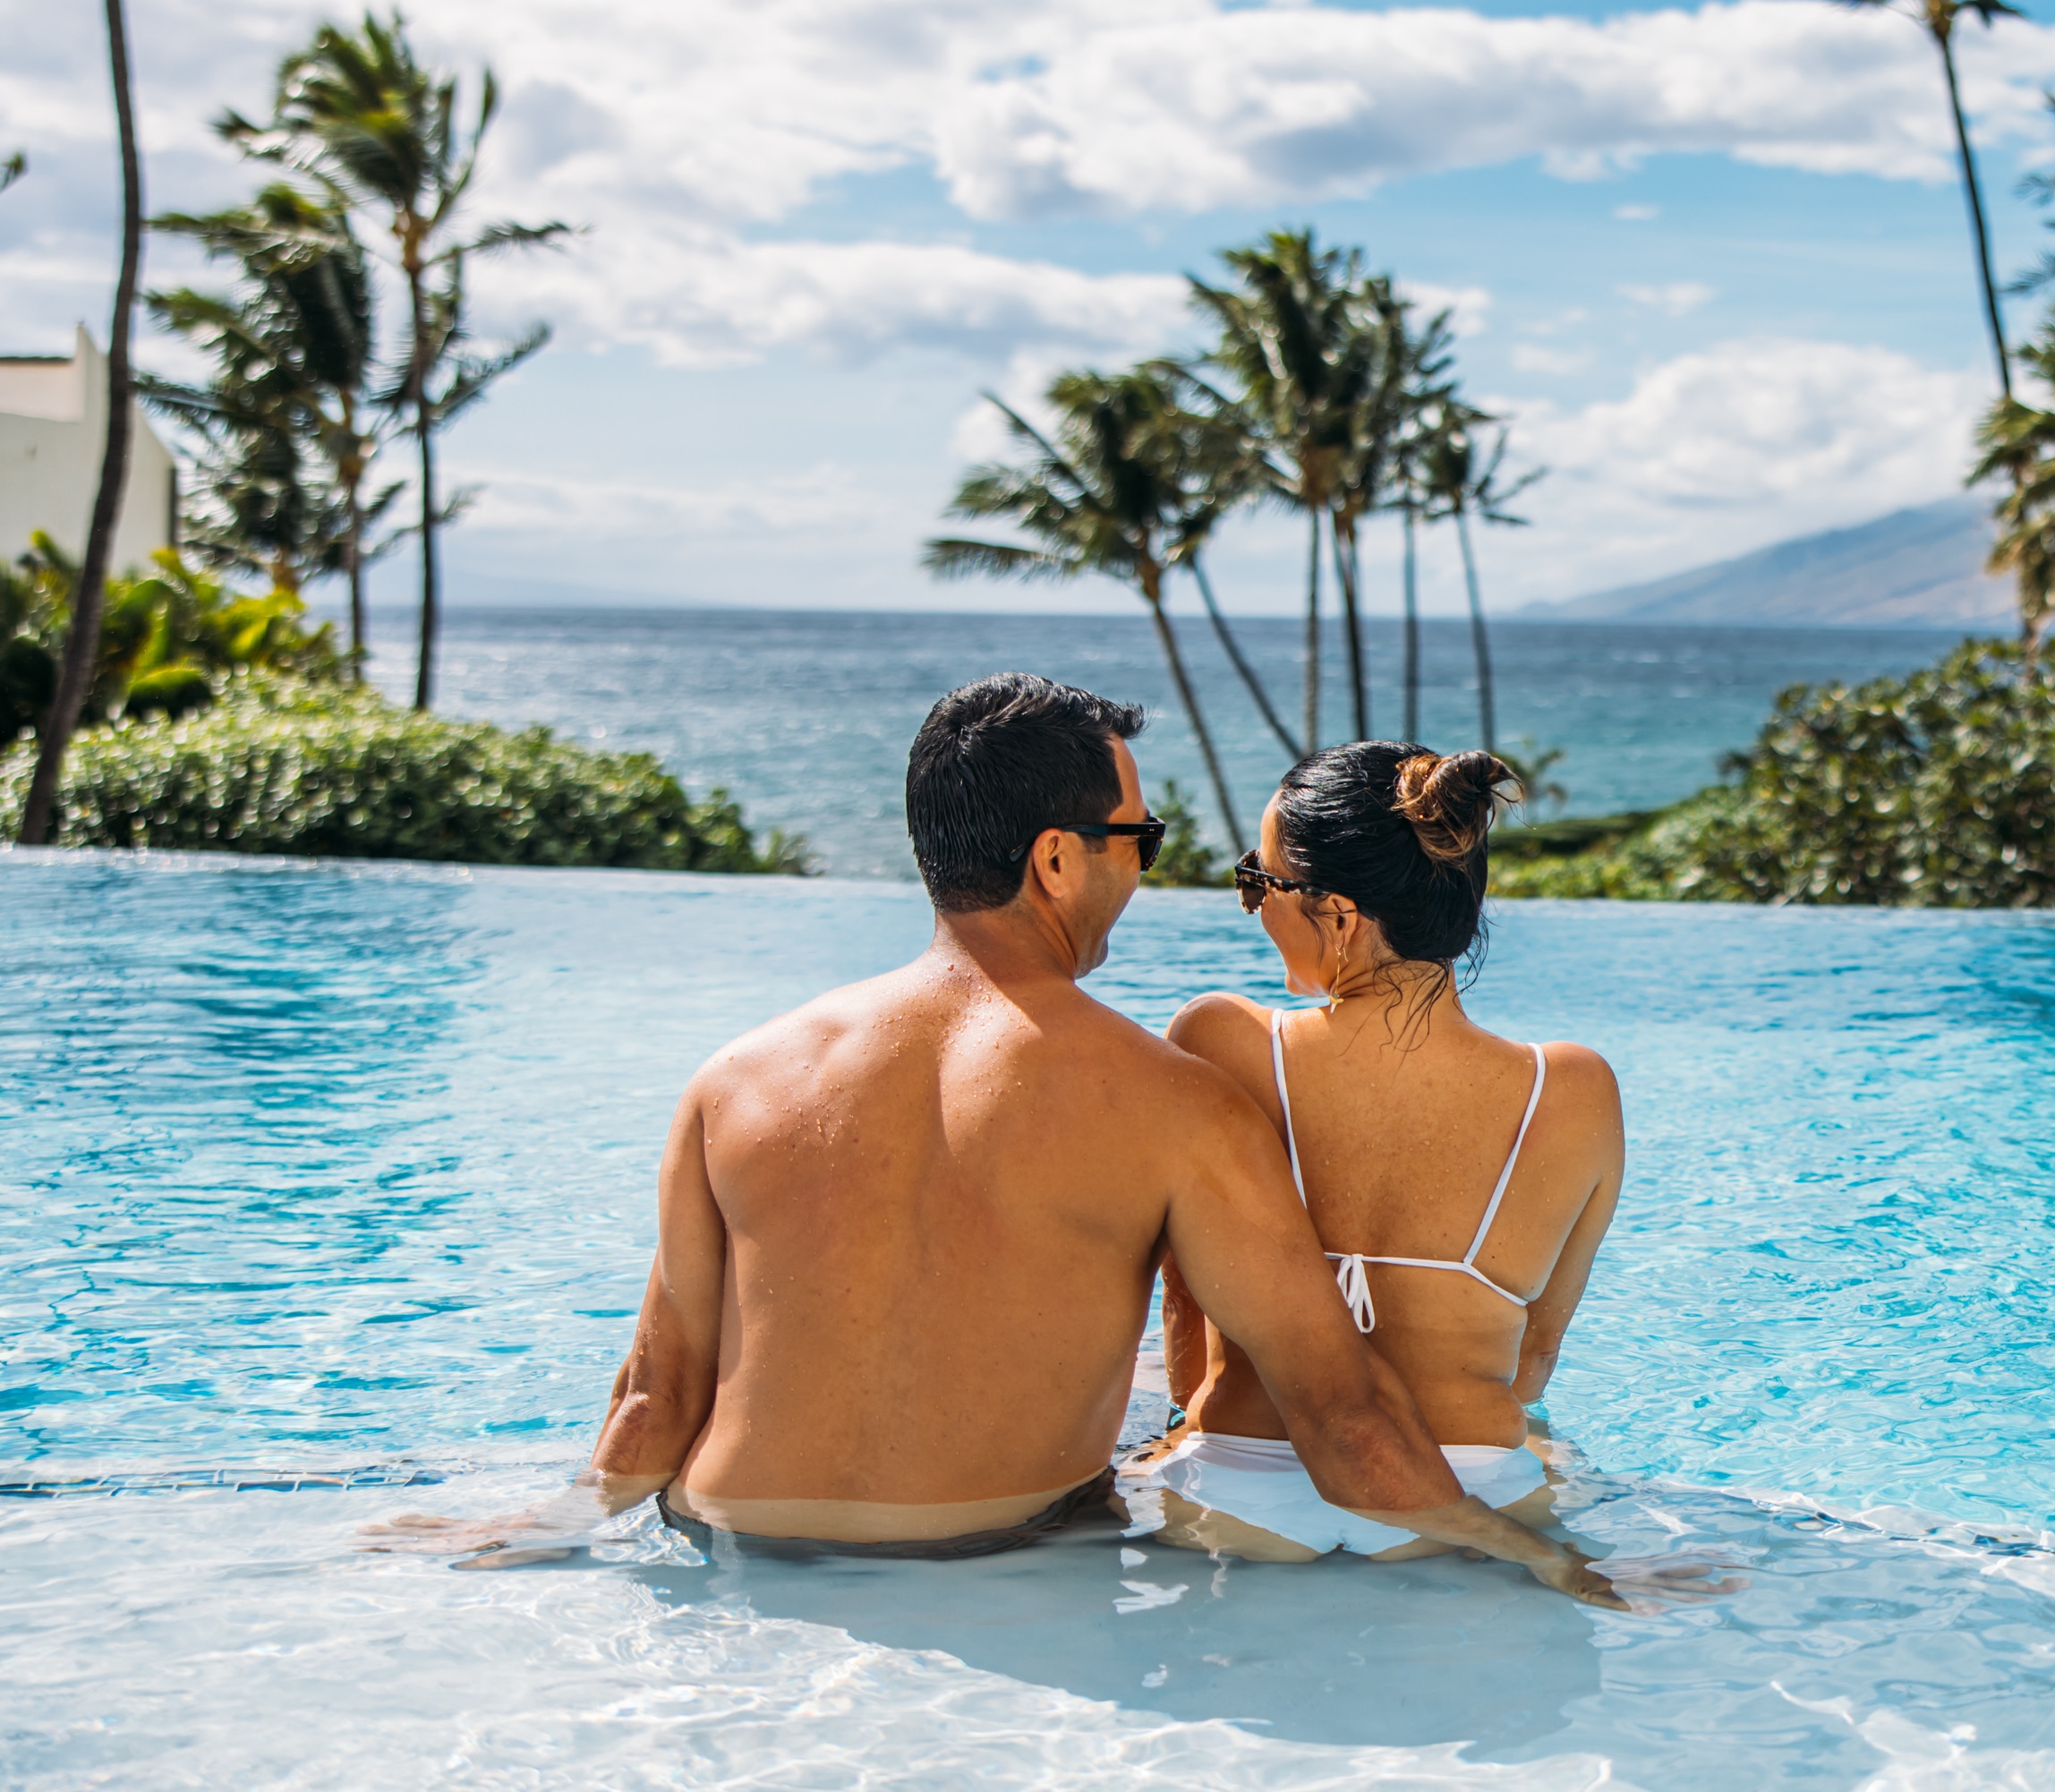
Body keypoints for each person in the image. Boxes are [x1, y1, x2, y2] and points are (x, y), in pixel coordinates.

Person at [375, 676, 1610, 1600]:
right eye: (1144, 842)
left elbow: (649, 1406)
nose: (1152, 874)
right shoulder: (1166, 1100)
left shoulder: (733, 1079)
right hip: (1006, 1562)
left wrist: (544, 1523)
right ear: (1059, 858)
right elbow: (1344, 1428)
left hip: (732, 1550)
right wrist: (1540, 1559)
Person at [1137, 743, 1622, 1562]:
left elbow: (1186, 1307)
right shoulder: (1572, 1091)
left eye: (1259, 882)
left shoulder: (1221, 1040)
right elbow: (1534, 1359)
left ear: (1338, 915)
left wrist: (1182, 1434)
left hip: (1241, 1493)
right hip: (1475, 1493)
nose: (1254, 908)